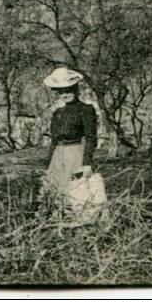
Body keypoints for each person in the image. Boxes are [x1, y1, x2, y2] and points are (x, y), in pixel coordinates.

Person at [41, 67, 98, 203]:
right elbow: (54, 140)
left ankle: (77, 219)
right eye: (61, 92)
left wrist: (87, 163)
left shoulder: (85, 109)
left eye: (68, 90)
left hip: (75, 153)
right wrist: (48, 164)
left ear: (76, 89)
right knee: (52, 191)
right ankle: (56, 220)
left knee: (75, 190)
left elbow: (91, 138)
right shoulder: (58, 113)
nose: (64, 95)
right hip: (57, 155)